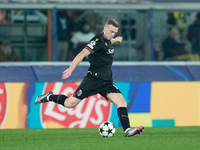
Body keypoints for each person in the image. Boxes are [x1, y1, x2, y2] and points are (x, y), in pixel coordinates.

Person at [35, 19, 144, 137]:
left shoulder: (107, 40)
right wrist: (71, 69)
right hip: (93, 80)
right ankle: (49, 96)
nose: (112, 34)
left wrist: (115, 40)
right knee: (69, 104)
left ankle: (127, 130)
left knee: (122, 102)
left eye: (115, 33)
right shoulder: (96, 40)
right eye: (111, 31)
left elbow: (107, 43)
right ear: (105, 28)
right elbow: (82, 53)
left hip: (107, 82)